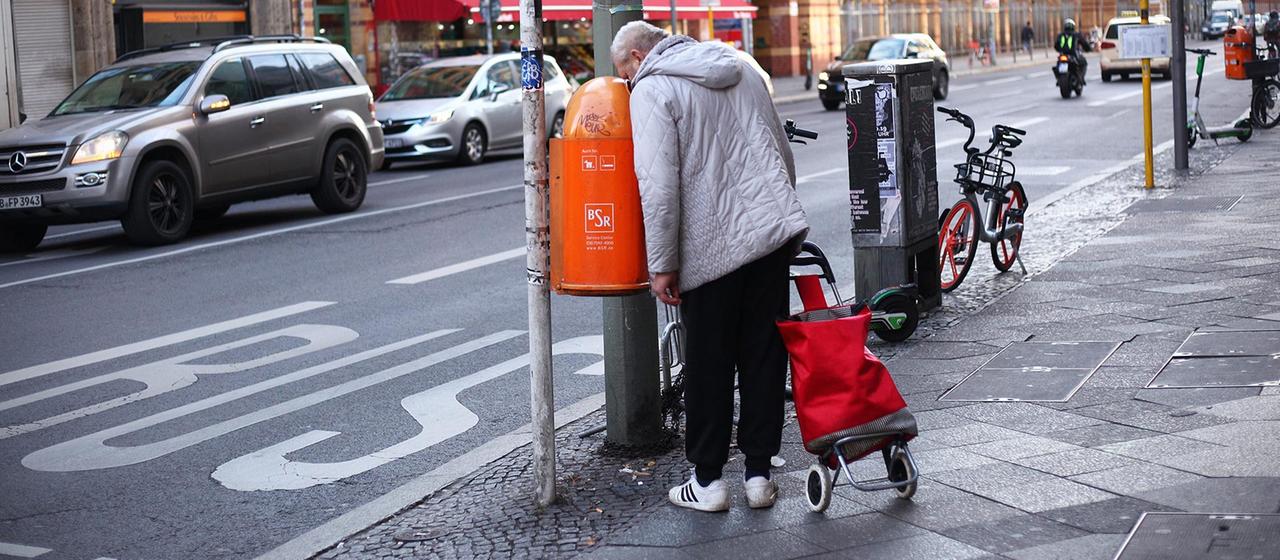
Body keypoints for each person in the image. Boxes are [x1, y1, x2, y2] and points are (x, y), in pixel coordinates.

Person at [611, 21, 809, 513]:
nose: (627, 84)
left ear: (638, 57)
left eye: (624, 74)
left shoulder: (654, 89)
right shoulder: (739, 67)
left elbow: (657, 186)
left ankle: (709, 481)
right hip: (766, 239)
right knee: (764, 357)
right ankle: (760, 475)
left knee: (708, 363)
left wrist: (662, 263)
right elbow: (779, 152)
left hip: (710, 248)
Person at [1055, 18, 1092, 84]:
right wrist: (1088, 49)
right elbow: (1084, 43)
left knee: (1057, 65)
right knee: (1084, 62)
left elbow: (1056, 46)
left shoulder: (1060, 35)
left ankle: (1058, 79)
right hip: (1073, 55)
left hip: (1062, 55)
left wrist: (1060, 50)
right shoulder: (1076, 34)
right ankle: (1081, 78)